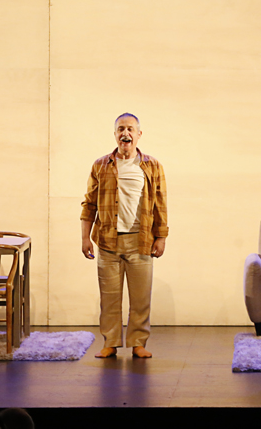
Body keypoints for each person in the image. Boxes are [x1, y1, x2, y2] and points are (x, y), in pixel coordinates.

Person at [81, 113, 168, 359]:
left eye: (130, 129)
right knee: (109, 298)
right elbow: (89, 204)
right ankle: (110, 342)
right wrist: (85, 238)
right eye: (121, 129)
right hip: (108, 241)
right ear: (115, 134)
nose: (125, 133)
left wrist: (161, 237)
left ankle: (138, 342)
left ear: (139, 134)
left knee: (141, 298)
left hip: (141, 240)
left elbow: (160, 204)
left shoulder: (152, 166)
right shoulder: (100, 165)